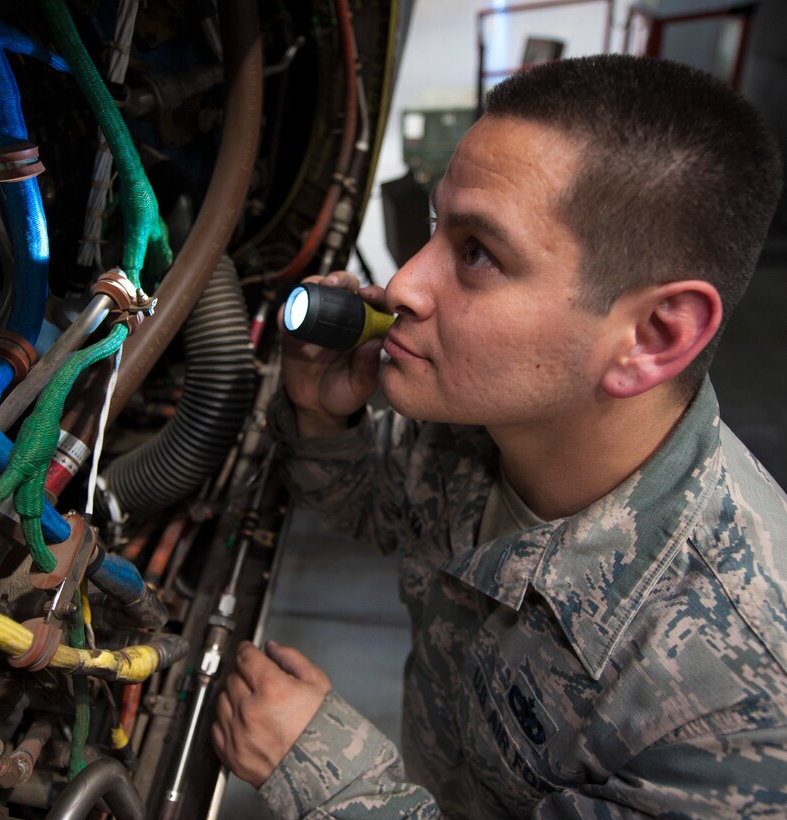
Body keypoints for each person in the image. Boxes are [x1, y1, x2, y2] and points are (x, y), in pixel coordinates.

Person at [211, 54, 787, 817]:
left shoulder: (740, 697)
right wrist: (324, 414)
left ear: (651, 335)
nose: (405, 284)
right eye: (433, 226)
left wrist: (336, 781)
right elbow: (375, 507)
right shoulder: (480, 427)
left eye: (477, 252)